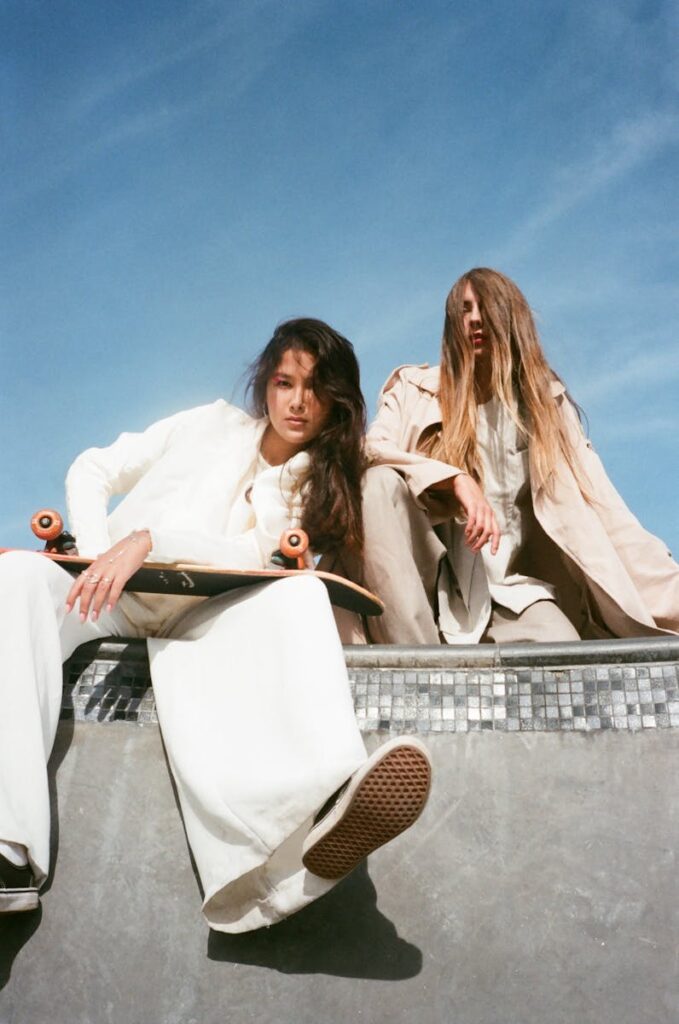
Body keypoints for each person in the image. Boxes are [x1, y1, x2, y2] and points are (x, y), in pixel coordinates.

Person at [0, 318, 432, 929]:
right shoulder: (207, 422)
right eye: (285, 382)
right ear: (266, 383)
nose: (298, 401)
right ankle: (7, 850)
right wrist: (100, 554)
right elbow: (93, 468)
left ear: (337, 400)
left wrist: (149, 541)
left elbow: (249, 556)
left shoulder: (312, 480)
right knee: (12, 579)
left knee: (300, 591)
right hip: (107, 594)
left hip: (202, 617)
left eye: (316, 388)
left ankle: (327, 800)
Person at [355, 268, 679, 645]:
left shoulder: (546, 410)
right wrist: (453, 480)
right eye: (464, 309)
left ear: (512, 317)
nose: (475, 318)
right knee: (376, 483)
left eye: (485, 307)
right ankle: (418, 674)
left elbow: (607, 513)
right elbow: (368, 451)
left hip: (509, 591)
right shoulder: (415, 390)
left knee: (564, 655)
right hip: (423, 586)